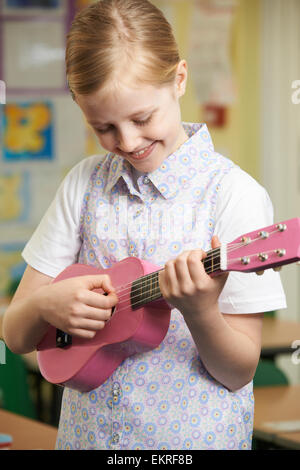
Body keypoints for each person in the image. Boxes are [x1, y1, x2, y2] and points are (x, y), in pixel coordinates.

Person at [3, 0, 286, 450]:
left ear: (179, 79)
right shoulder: (82, 184)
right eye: (105, 127)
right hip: (87, 440)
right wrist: (45, 306)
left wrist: (200, 312)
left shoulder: (235, 195)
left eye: (142, 118)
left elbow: (238, 371)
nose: (128, 141)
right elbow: (16, 335)